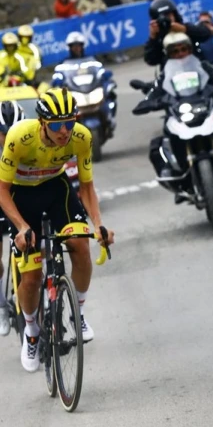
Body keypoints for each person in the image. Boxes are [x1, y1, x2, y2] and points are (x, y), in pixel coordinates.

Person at [0, 88, 115, 372]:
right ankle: (31, 331)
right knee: (31, 277)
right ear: (42, 123)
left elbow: (86, 186)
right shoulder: (19, 137)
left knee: (81, 244)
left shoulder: (81, 137)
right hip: (21, 195)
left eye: (69, 122)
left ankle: (78, 313)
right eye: (56, 125)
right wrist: (21, 227)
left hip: (56, 189)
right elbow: (2, 189)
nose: (64, 131)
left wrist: (98, 223)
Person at [144, 33, 213, 200]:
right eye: (175, 51)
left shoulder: (204, 66)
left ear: (190, 49)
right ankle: (177, 176)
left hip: (207, 109)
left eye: (183, 49)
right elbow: (154, 92)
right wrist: (148, 101)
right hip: (180, 115)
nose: (180, 54)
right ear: (168, 54)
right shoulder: (164, 76)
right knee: (157, 145)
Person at [0, 101, 26, 337]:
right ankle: (1, 307)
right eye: (4, 134)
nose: (9, 139)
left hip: (18, 198)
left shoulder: (28, 144)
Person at [144, 0, 212, 67]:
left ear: (175, 15)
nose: (166, 19)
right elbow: (151, 60)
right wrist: (153, 38)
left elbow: (206, 34)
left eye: (168, 15)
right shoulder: (158, 38)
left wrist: (185, 29)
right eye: (161, 17)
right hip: (171, 71)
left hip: (195, 67)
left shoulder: (184, 28)